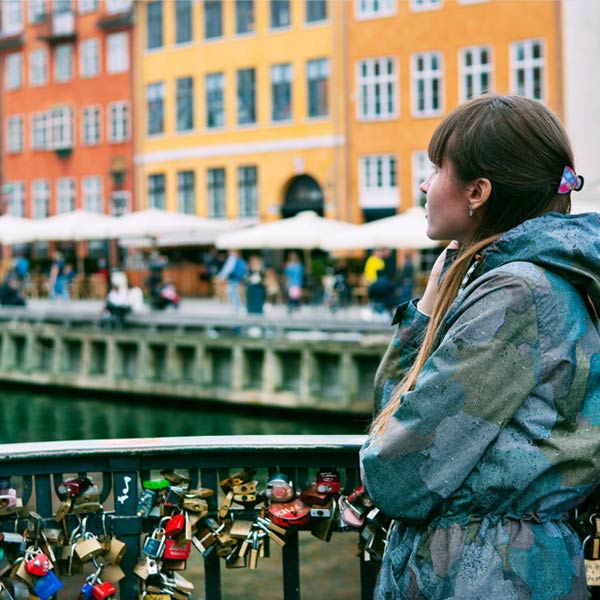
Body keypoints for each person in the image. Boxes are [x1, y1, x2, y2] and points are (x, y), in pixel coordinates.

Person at [359, 95, 600, 599]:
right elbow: (393, 409)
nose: (424, 185)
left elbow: (397, 471)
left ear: (477, 191)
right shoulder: (532, 279)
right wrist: (429, 301)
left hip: (487, 575)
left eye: (434, 169)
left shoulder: (514, 294)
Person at [217, 249, 248, 315]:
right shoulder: (240, 260)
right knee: (236, 293)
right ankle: (239, 307)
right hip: (240, 279)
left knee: (234, 293)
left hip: (234, 278)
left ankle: (238, 307)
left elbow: (227, 269)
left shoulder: (232, 259)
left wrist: (221, 277)